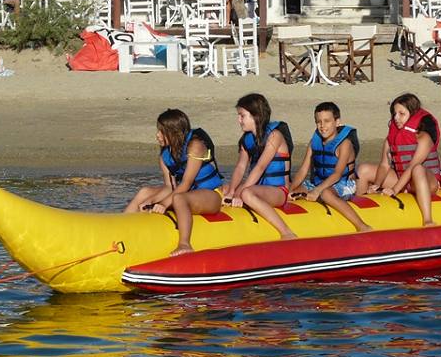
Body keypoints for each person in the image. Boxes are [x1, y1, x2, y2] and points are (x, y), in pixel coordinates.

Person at [124, 109, 224, 256]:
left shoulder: (195, 146)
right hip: (187, 194)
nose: (157, 135)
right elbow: (169, 187)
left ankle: (184, 243)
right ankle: (122, 227)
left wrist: (163, 204)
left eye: (161, 131)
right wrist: (151, 201)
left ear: (174, 132)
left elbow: (186, 183)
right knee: (144, 192)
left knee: (179, 198)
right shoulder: (165, 155)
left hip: (211, 195)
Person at [356, 93, 440, 227]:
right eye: (394, 114)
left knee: (417, 169)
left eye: (401, 113)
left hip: (426, 182)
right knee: (363, 169)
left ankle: (427, 219)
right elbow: (384, 166)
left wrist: (395, 190)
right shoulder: (391, 138)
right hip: (402, 178)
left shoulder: (424, 138)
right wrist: (376, 185)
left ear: (412, 114)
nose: (396, 118)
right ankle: (359, 211)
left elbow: (413, 166)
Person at [288, 102, 371, 233]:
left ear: (337, 122)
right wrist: (290, 190)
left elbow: (337, 174)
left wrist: (317, 191)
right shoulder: (314, 143)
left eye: (327, 121)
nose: (322, 126)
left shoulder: (345, 144)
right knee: (291, 191)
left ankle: (362, 225)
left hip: (343, 184)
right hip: (319, 183)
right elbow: (303, 170)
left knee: (326, 194)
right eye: (318, 122)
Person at [224, 93, 296, 240]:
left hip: (278, 191)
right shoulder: (247, 140)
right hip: (260, 188)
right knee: (225, 188)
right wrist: (231, 191)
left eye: (242, 116)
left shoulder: (274, 136)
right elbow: (240, 167)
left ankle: (286, 232)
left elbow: (260, 167)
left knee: (246, 194)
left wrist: (240, 192)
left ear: (255, 116)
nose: (239, 120)